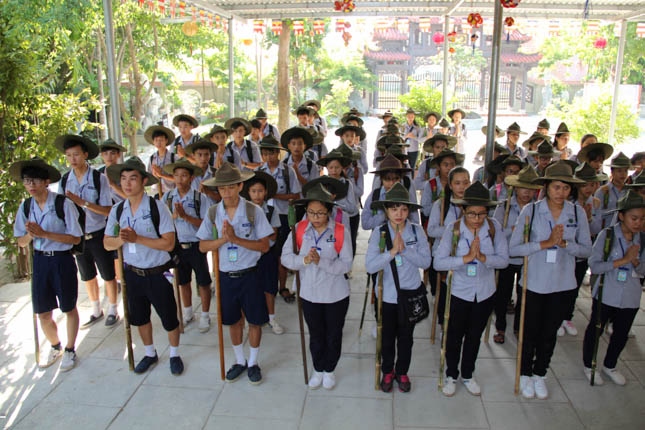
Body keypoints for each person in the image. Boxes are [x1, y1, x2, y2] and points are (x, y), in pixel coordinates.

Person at [509, 161, 592, 400]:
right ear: (546, 187)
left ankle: (540, 373)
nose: (561, 193)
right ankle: (525, 372)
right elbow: (514, 248)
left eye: (566, 188)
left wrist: (565, 244)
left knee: (549, 333)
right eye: (556, 187)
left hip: (562, 283)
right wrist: (545, 243)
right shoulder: (531, 211)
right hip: (534, 282)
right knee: (529, 332)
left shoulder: (576, 213)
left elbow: (587, 250)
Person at [104, 157, 184, 375]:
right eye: (123, 179)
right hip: (132, 273)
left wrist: (137, 238)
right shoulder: (118, 210)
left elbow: (168, 243)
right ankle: (150, 353)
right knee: (139, 317)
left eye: (133, 178)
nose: (127, 183)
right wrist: (121, 239)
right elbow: (107, 242)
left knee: (169, 317)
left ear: (143, 181)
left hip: (159, 273)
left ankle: (174, 354)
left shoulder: (158, 207)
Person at [196, 163, 274, 384]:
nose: (227, 192)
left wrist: (236, 239)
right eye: (222, 188)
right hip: (225, 277)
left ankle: (253, 362)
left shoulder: (253, 211)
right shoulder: (213, 212)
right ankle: (240, 360)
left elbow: (264, 246)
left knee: (255, 321)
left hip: (250, 275)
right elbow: (202, 246)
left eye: (231, 187)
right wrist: (224, 239)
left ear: (240, 186)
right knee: (233, 321)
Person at [435, 181, 508, 396]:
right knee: (454, 335)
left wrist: (483, 258)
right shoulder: (454, 229)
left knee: (474, 336)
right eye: (472, 214)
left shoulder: (494, 228)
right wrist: (465, 259)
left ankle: (468, 373)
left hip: (484, 292)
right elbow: (438, 263)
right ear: (463, 209)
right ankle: (451, 374)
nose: (477, 219)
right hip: (459, 291)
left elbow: (504, 260)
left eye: (482, 214)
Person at [12, 158, 83, 371]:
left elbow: (75, 238)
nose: (31, 185)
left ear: (46, 182)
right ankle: (55, 345)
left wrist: (45, 234)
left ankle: (70, 349)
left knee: (68, 307)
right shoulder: (26, 207)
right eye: (27, 181)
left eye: (35, 180)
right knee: (42, 311)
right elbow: (21, 241)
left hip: (62, 259)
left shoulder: (63, 204)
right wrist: (30, 235)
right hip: (40, 260)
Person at [282, 183, 353, 389]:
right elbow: (286, 257)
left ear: (329, 211)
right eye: (311, 212)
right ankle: (318, 368)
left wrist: (321, 262)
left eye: (320, 212)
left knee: (333, 334)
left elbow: (346, 264)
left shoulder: (340, 231)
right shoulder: (299, 229)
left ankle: (329, 369)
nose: (315, 217)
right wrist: (304, 260)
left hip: (335, 295)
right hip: (309, 294)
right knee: (315, 334)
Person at [366, 182, 431, 392]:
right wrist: (391, 252)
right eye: (394, 209)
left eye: (403, 209)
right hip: (387, 296)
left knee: (406, 338)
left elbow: (426, 262)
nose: (399, 214)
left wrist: (405, 251)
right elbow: (370, 266)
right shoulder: (380, 233)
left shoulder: (417, 231)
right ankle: (387, 370)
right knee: (386, 339)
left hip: (410, 295)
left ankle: (402, 371)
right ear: (386, 210)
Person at [55, 135, 119, 328]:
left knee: (108, 274)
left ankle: (113, 309)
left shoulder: (99, 179)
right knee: (87, 275)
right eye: (69, 155)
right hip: (79, 237)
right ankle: (96, 309)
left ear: (85, 154)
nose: (72, 159)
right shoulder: (65, 180)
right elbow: (61, 210)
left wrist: (83, 203)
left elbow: (108, 210)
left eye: (76, 154)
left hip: (98, 232)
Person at [582, 191, 645, 386]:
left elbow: (643, 270)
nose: (638, 223)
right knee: (596, 330)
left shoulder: (642, 240)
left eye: (642, 219)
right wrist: (623, 260)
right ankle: (589, 365)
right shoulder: (607, 235)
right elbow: (595, 266)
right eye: (634, 218)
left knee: (621, 333)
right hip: (606, 292)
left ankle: (610, 365)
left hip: (630, 296)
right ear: (622, 216)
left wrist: (635, 261)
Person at [160, 159, 212, 332]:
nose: (179, 179)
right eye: (176, 175)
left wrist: (185, 216)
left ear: (191, 178)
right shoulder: (167, 197)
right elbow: (162, 223)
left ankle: (205, 315)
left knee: (203, 281)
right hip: (177, 246)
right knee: (182, 281)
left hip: (196, 245)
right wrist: (173, 217)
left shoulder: (199, 198)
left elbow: (206, 224)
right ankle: (188, 312)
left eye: (184, 175)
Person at [491, 165, 542, 343]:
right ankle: (500, 327)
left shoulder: (538, 209)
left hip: (528, 258)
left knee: (524, 295)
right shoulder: (504, 206)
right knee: (502, 294)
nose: (527, 192)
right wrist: (513, 230)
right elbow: (494, 231)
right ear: (516, 188)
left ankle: (519, 327)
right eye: (523, 188)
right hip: (507, 257)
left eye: (531, 189)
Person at [557, 163, 607, 337]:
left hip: (582, 253)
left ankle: (567, 317)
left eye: (592, 184)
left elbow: (596, 230)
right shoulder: (567, 203)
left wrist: (589, 218)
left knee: (575, 286)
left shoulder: (595, 203)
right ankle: (557, 318)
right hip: (565, 252)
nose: (589, 188)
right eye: (585, 184)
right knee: (561, 286)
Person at [255, 135, 301, 304]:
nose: (269, 157)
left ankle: (282, 286)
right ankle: (265, 287)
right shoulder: (258, 172)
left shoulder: (288, 171)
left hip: (283, 216)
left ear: (278, 153)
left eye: (272, 153)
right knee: (264, 252)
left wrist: (275, 195)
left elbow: (296, 195)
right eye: (265, 154)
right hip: (262, 216)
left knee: (282, 254)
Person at [240, 171, 284, 335]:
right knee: (249, 288)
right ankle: (248, 320)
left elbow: (273, 234)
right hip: (248, 255)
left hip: (267, 255)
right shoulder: (243, 210)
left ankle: (271, 318)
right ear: (248, 192)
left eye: (260, 191)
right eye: (253, 191)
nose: (257, 194)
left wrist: (255, 233)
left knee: (269, 288)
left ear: (265, 192)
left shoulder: (271, 211)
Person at [426, 167, 470, 328]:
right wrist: (453, 230)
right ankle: (443, 325)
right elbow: (431, 230)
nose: (462, 187)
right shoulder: (441, 204)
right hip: (444, 256)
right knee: (444, 294)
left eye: (465, 182)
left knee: (461, 295)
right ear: (450, 185)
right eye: (457, 183)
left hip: (466, 257)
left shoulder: (474, 206)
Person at [317, 150, 360, 256]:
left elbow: (352, 208)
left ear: (342, 168)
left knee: (347, 245)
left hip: (347, 220)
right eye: (331, 167)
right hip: (328, 221)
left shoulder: (347, 184)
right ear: (327, 168)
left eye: (337, 167)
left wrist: (335, 202)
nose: (334, 170)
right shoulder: (322, 184)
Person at [362, 154, 419, 232]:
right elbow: (365, 224)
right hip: (380, 238)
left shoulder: (407, 196)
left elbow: (415, 223)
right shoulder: (375, 195)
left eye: (396, 179)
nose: (392, 183)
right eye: (387, 179)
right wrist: (384, 215)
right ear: (381, 180)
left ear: (400, 178)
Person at [420, 149, 465, 225]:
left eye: (452, 164)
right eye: (446, 165)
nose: (449, 168)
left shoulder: (461, 185)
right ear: (438, 167)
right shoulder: (431, 185)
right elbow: (425, 211)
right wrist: (439, 203)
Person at [595, 152, 631, 229]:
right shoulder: (602, 191)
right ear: (612, 172)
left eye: (625, 171)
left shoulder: (630, 191)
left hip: (626, 230)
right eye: (619, 171)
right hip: (606, 231)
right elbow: (596, 214)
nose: (623, 174)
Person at [184, 138, 220, 203]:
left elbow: (223, 198)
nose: (203, 158)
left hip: (214, 209)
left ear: (210, 155)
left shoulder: (216, 173)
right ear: (193, 155)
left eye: (206, 154)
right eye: (199, 154)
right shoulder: (188, 174)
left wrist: (208, 192)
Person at [145, 125, 177, 195]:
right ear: (153, 142)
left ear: (166, 141)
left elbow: (178, 178)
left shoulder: (173, 157)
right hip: (156, 193)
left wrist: (161, 175)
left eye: (161, 140)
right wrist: (154, 175)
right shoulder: (152, 158)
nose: (159, 143)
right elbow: (149, 177)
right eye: (156, 140)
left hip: (171, 193)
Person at [98, 139, 127, 204]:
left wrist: (112, 184)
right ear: (102, 155)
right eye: (105, 154)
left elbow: (132, 197)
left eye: (112, 153)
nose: (109, 157)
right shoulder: (98, 173)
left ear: (118, 154)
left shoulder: (126, 172)